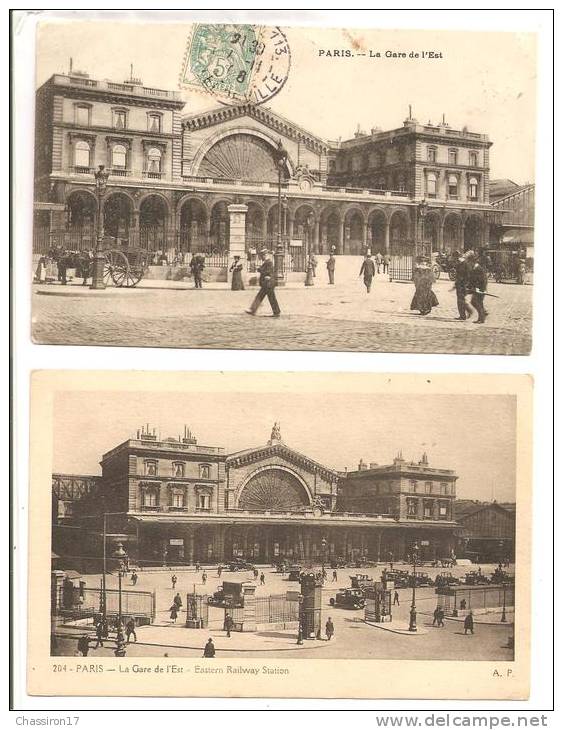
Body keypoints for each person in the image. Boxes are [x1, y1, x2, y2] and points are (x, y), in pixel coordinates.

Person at [245, 248, 281, 317]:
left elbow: (268, 271)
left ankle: (253, 310)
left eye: (263, 256)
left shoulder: (269, 262)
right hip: (266, 283)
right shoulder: (267, 262)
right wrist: (259, 269)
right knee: (264, 297)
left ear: (266, 255)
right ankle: (276, 312)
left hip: (268, 283)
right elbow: (265, 270)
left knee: (266, 297)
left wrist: (260, 270)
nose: (262, 257)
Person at [467, 253, 488, 324]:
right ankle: (481, 317)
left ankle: (482, 318)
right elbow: (472, 280)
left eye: (469, 262)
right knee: (477, 303)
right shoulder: (474, 269)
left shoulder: (479, 269)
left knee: (476, 302)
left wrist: (480, 289)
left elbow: (484, 280)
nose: (468, 263)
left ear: (473, 261)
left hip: (480, 289)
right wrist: (469, 287)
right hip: (476, 289)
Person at [453, 253, 473, 321]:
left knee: (461, 300)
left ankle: (466, 312)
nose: (456, 260)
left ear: (461, 257)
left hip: (463, 285)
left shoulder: (466, 265)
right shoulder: (459, 264)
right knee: (460, 300)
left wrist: (466, 285)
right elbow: (457, 275)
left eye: (457, 258)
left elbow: (468, 276)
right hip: (459, 284)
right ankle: (463, 315)